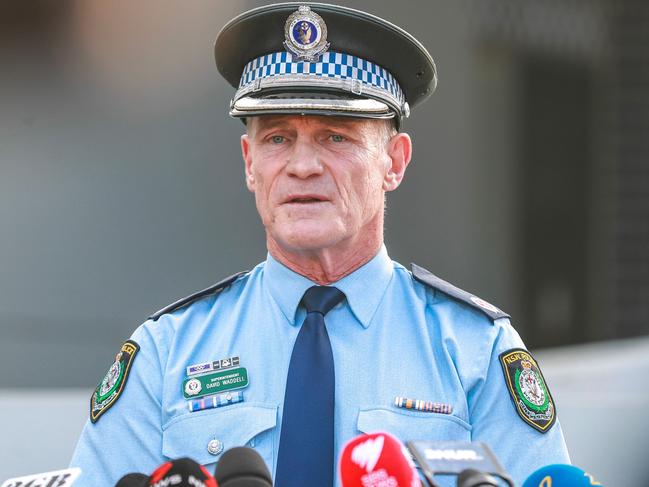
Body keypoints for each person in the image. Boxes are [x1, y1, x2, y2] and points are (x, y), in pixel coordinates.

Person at [70, 3, 570, 486]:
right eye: (277, 138)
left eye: (336, 137)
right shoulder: (167, 352)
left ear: (394, 161)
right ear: (249, 161)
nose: (302, 165)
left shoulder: (475, 352)